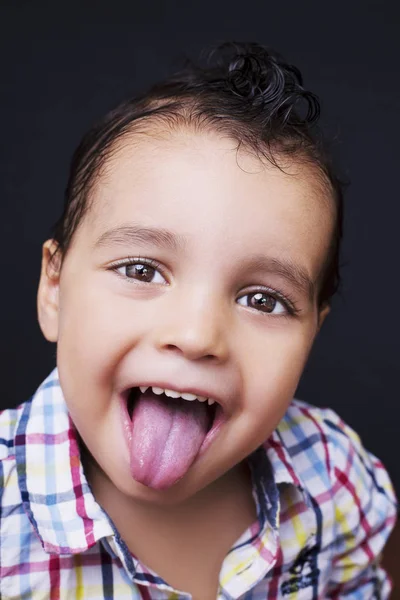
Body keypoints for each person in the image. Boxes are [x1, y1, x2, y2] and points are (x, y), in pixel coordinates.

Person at [0, 41, 397, 600]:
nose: (195, 336)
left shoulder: (331, 474)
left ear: (313, 332)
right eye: (141, 269)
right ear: (55, 288)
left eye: (264, 300)